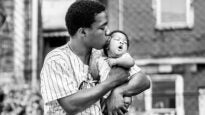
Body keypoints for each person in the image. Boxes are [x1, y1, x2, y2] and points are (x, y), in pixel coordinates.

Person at [40, 1, 150, 115]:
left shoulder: (104, 54)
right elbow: (71, 105)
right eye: (102, 28)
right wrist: (111, 82)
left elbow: (143, 80)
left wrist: (118, 91)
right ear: (83, 32)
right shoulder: (56, 60)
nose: (107, 32)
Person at [90, 30, 144, 114]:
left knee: (126, 100)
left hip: (122, 93)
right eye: (117, 39)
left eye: (125, 42)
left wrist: (116, 61)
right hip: (105, 95)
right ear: (107, 46)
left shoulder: (124, 57)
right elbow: (95, 75)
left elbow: (131, 62)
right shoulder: (101, 60)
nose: (121, 42)